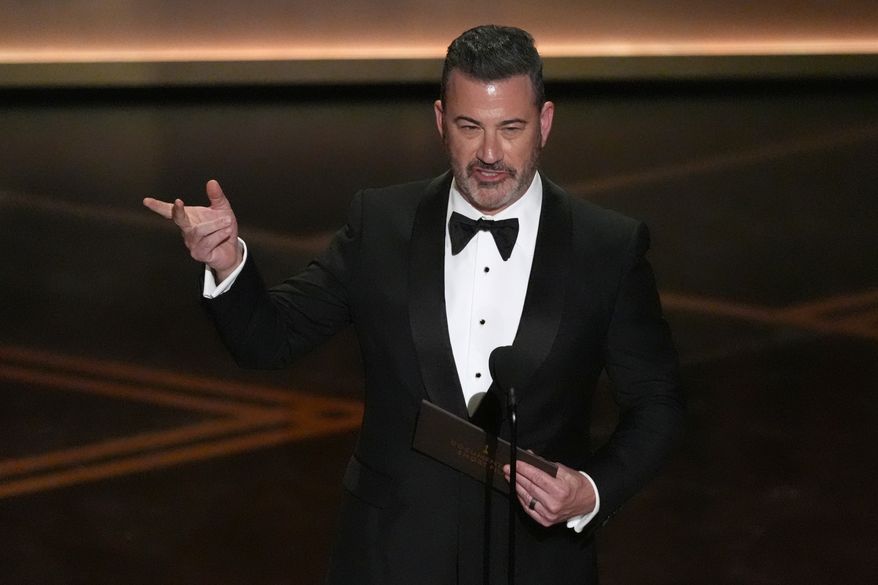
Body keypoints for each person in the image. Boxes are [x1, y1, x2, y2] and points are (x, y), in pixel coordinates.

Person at [144, 24, 683, 585]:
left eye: (512, 128)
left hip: (539, 562)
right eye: (469, 127)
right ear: (439, 121)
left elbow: (658, 404)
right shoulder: (380, 225)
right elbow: (268, 339)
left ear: (544, 123)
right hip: (390, 556)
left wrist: (591, 490)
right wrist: (227, 262)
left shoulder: (608, 247)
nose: (491, 153)